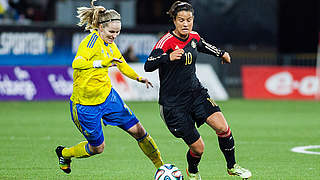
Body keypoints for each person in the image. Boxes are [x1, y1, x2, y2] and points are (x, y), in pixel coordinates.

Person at [144, 1, 251, 180]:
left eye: (189, 20)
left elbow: (202, 45)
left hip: (196, 94)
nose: (185, 24)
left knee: (223, 128)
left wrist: (221, 53)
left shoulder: (193, 36)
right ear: (174, 21)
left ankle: (232, 166)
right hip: (173, 105)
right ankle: (192, 171)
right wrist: (167, 57)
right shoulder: (166, 42)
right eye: (181, 20)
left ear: (193, 20)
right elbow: (149, 65)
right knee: (198, 148)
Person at [55, 0, 164, 174]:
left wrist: (138, 77)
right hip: (85, 106)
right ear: (100, 27)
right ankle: (64, 153)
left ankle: (161, 168)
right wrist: (101, 63)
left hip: (108, 98)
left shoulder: (111, 45)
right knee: (97, 148)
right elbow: (77, 63)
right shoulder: (90, 43)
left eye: (118, 32)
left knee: (139, 130)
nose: (114, 36)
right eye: (111, 31)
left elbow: (122, 64)